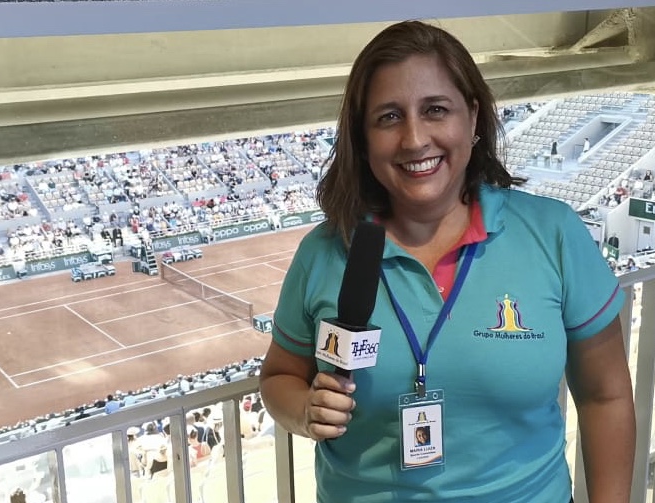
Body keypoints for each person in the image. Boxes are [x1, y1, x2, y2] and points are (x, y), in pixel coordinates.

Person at [259, 20, 635, 503]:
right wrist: (305, 410)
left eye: (435, 109)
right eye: (389, 117)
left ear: (473, 118)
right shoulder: (325, 252)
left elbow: (606, 396)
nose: (415, 139)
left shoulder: (554, 234)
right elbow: (278, 378)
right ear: (363, 137)